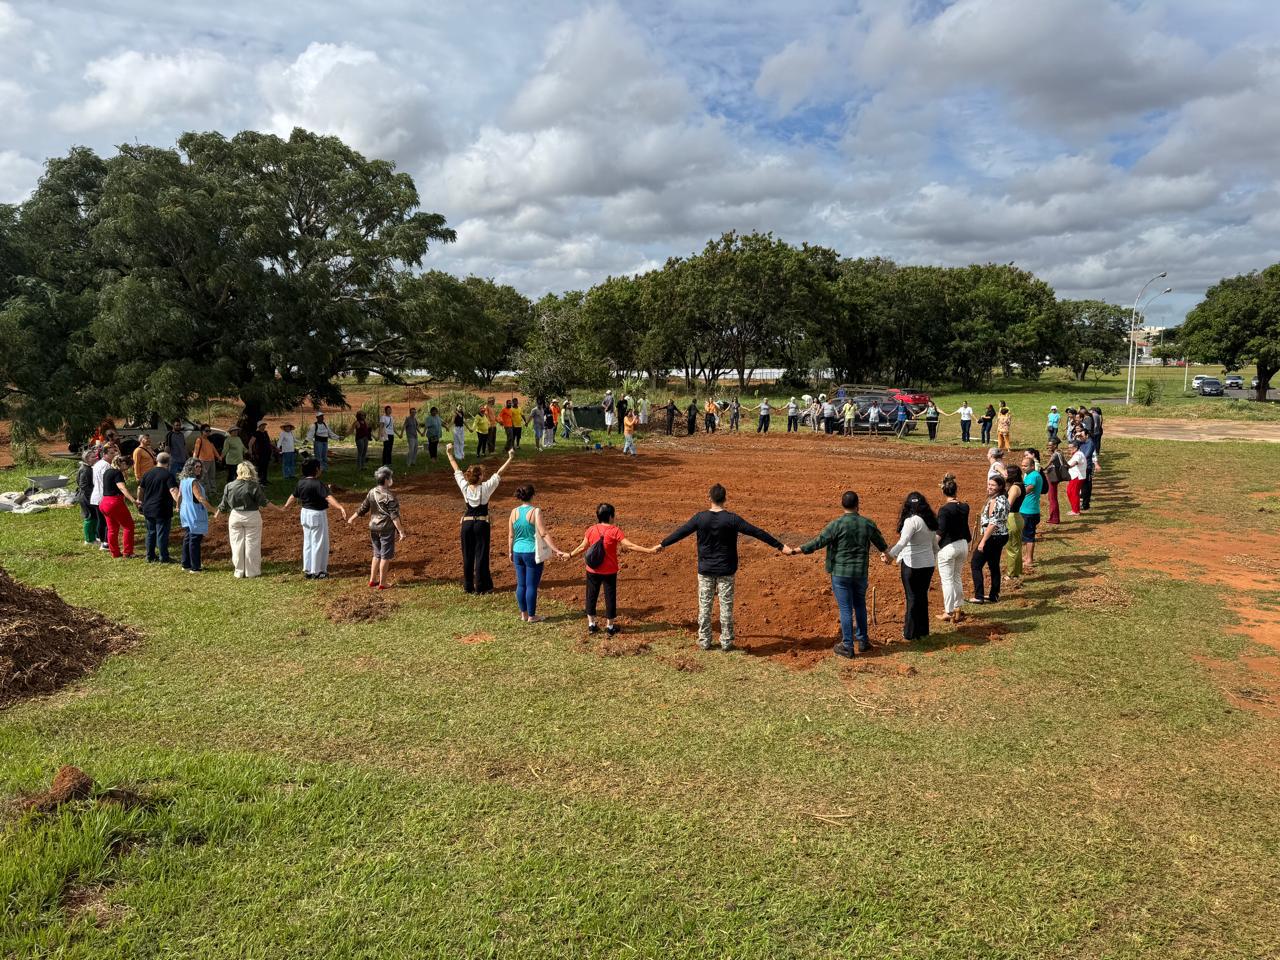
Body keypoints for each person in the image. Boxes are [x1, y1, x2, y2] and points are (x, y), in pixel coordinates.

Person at [656, 484, 786, 652]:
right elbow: (757, 532)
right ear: (725, 499)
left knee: (705, 607)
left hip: (705, 570)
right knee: (726, 607)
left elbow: (681, 532)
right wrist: (780, 546)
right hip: (726, 570)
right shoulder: (732, 519)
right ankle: (726, 642)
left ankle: (704, 641)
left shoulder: (700, 518)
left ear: (709, 498)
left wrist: (662, 544)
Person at [787, 490, 888, 658]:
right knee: (860, 605)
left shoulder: (836, 525)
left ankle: (848, 645)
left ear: (842, 505)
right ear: (858, 505)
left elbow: (818, 542)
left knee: (846, 608)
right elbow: (882, 545)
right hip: (860, 573)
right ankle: (863, 641)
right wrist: (888, 556)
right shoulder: (867, 524)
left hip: (840, 574)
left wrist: (796, 550)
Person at [567, 503, 656, 635]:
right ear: (610, 516)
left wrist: (569, 555)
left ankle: (591, 625)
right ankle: (610, 627)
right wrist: (649, 550)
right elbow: (630, 546)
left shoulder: (591, 529)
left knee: (591, 595)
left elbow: (582, 547)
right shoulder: (615, 531)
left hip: (592, 570)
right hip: (609, 571)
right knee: (610, 597)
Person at [446, 443, 514, 594]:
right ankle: (482, 587)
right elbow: (500, 472)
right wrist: (510, 458)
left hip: (467, 524)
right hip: (481, 523)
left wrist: (449, 453)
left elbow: (456, 469)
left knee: (467, 555)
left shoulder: (464, 486)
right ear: (480, 477)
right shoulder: (486, 487)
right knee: (481, 555)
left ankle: (468, 586)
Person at [506, 484, 567, 622]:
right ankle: (532, 616)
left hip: (517, 551)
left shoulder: (513, 512)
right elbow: (543, 533)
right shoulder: (535, 511)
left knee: (521, 584)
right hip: (531, 553)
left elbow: (511, 535)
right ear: (532, 495)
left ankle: (524, 614)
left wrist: (510, 552)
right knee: (531, 585)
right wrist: (556, 549)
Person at [283, 457, 348, 580]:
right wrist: (339, 507)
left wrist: (285, 507)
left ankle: (308, 569)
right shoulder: (318, 484)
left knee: (308, 542)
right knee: (318, 543)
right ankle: (317, 571)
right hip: (317, 515)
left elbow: (293, 496)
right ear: (317, 470)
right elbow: (328, 497)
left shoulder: (301, 482)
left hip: (305, 514)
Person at [885, 492, 938, 640]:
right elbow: (935, 546)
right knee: (922, 596)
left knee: (912, 598)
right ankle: (923, 631)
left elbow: (903, 542)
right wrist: (932, 559)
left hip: (912, 564)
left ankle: (909, 633)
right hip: (928, 565)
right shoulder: (930, 521)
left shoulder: (911, 521)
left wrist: (890, 555)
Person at [349, 465, 407, 590]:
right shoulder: (390, 496)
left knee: (376, 555)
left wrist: (352, 518)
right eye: (390, 478)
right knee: (385, 556)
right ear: (386, 480)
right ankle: (383, 583)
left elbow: (363, 507)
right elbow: (394, 517)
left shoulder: (372, 492)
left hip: (373, 528)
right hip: (386, 529)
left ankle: (372, 580)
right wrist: (401, 532)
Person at [215, 461, 272, 579]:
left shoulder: (229, 486)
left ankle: (239, 571)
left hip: (235, 516)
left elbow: (223, 505)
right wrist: (279, 510)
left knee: (236, 544)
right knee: (252, 544)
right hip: (252, 516)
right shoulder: (253, 486)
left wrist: (217, 514)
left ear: (238, 472)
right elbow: (264, 502)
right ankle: (252, 572)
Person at [935, 474, 970, 623]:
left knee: (947, 580)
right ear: (956, 490)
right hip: (963, 545)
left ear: (943, 492)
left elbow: (940, 532)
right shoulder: (965, 507)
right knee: (956, 577)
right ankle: (958, 607)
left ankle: (948, 611)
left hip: (948, 548)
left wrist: (932, 546)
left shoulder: (944, 510)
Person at [970, 474, 1010, 604]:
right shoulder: (1003, 498)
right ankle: (994, 595)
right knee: (993, 565)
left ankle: (979, 596)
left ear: (1000, 486)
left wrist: (983, 541)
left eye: (993, 485)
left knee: (976, 564)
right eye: (989, 484)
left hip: (993, 537)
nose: (989, 487)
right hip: (1001, 535)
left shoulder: (995, 501)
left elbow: (993, 524)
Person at [138, 452, 180, 563]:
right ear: (169, 462)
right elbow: (173, 490)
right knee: (162, 533)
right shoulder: (168, 475)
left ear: (157, 460)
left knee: (151, 532)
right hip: (162, 509)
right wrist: (180, 504)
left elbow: (140, 489)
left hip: (148, 508)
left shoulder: (147, 473)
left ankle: (150, 556)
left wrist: (140, 501)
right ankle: (164, 557)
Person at [99, 454, 138, 559]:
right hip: (114, 503)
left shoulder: (108, 471)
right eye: (128, 467)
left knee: (112, 529)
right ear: (123, 463)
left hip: (104, 502)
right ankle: (128, 552)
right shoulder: (117, 473)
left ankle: (115, 553)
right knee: (128, 526)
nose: (127, 469)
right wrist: (133, 501)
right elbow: (122, 488)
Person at [178, 458, 212, 573]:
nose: (199, 469)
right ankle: (195, 567)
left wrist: (178, 506)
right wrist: (212, 509)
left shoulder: (183, 480)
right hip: (194, 511)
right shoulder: (193, 482)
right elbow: (200, 498)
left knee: (188, 537)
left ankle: (186, 564)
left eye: (200, 466)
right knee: (195, 538)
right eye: (196, 467)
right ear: (190, 468)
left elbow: (179, 495)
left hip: (185, 510)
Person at [1018, 451, 1044, 574]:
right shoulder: (1030, 475)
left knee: (1029, 536)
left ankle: (1029, 559)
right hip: (1027, 510)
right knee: (1026, 535)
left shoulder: (1033, 475)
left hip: (1029, 511)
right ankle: (1027, 556)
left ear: (1032, 466)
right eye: (1022, 465)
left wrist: (1016, 492)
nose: (1023, 467)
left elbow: (1029, 488)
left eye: (1026, 466)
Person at [89, 443, 116, 549]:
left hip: (96, 495)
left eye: (114, 453)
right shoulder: (106, 466)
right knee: (106, 521)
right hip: (103, 496)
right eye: (111, 453)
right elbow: (107, 482)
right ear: (104, 454)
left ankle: (100, 539)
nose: (113, 455)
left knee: (101, 520)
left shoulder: (97, 464)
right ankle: (105, 543)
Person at [1003, 464, 1025, 580]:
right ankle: (1016, 572)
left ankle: (1011, 574)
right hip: (1016, 517)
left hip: (1012, 518)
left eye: (1006, 473)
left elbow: (1008, 505)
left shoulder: (1014, 488)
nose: (1004, 475)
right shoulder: (1019, 484)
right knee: (1016, 546)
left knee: (1011, 547)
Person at [75, 449, 98, 546]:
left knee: (94, 516)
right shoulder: (85, 469)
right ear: (87, 459)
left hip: (89, 496)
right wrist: (92, 496)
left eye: (95, 456)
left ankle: (94, 537)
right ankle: (88, 540)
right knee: (89, 517)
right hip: (86, 497)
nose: (95, 458)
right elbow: (83, 485)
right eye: (93, 457)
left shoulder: (89, 468)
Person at [191, 424, 222, 496]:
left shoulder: (210, 440)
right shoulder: (199, 440)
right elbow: (196, 450)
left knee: (212, 477)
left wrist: (218, 457)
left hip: (212, 461)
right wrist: (194, 461)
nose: (208, 432)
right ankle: (205, 492)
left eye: (209, 431)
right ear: (202, 431)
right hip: (203, 461)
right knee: (204, 478)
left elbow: (214, 449)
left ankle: (213, 492)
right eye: (206, 431)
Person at [1043, 438, 1067, 524]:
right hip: (1055, 478)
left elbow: (1048, 464)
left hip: (1052, 478)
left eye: (1050, 445)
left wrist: (1042, 469)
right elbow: (1066, 464)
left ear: (1055, 445)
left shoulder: (1055, 454)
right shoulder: (1060, 453)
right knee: (1052, 497)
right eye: (1048, 445)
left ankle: (1054, 518)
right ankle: (1054, 517)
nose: (1049, 447)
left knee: (1052, 498)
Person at [1066, 439, 1087, 515]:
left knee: (1073, 493)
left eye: (1071, 447)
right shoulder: (1076, 454)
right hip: (1074, 477)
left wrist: (1069, 466)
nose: (1069, 449)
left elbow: (1075, 462)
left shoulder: (1078, 455)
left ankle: (1076, 511)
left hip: (1077, 477)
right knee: (1070, 492)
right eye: (1068, 447)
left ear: (1076, 447)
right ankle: (1074, 509)